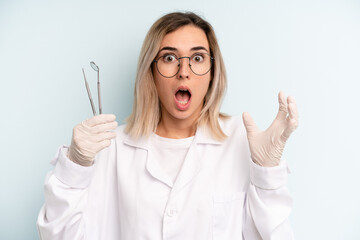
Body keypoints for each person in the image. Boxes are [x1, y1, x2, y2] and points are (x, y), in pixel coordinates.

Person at [37, 11, 298, 239]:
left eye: (197, 59)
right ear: (151, 71)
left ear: (212, 72)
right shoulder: (111, 148)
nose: (184, 71)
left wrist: (267, 175)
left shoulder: (241, 142)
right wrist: (74, 167)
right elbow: (59, 236)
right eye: (169, 58)